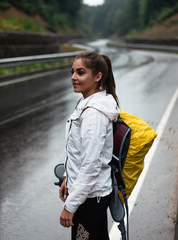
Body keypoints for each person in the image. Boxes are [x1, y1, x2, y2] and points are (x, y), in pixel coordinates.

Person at [59, 51, 120, 240]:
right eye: (73, 72)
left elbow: (91, 164)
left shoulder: (94, 113)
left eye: (80, 72)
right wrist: (67, 178)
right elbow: (78, 153)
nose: (73, 78)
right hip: (90, 195)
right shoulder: (87, 103)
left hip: (90, 198)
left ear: (97, 77)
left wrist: (70, 206)